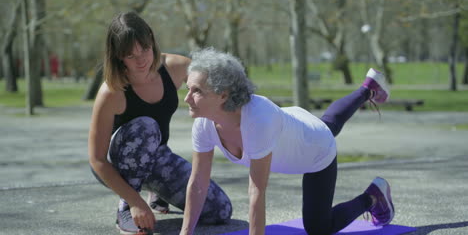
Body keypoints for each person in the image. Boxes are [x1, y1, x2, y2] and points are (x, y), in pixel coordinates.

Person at [180, 47, 394, 235]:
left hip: (316, 151)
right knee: (329, 123)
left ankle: (373, 198)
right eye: (187, 88)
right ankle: (367, 89)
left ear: (223, 95)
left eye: (196, 91)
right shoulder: (204, 122)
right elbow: (198, 183)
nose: (187, 98)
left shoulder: (257, 121)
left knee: (318, 228)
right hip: (294, 124)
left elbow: (256, 192)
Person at [88, 13, 232, 235]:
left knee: (220, 211)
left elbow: (217, 86)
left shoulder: (175, 67)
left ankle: (157, 193)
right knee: (146, 126)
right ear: (118, 56)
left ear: (152, 40)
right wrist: (135, 202)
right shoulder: (111, 92)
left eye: (144, 49)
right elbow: (97, 160)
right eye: (130, 55)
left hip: (156, 156)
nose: (141, 60)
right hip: (117, 166)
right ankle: (125, 207)